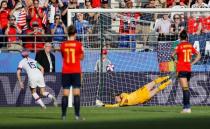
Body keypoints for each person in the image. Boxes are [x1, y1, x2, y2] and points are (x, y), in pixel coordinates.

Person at [171, 30, 201, 113]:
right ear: (187, 38)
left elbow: (172, 55)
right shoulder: (190, 45)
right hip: (188, 69)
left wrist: (175, 61)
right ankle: (186, 107)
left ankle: (186, 107)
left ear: (180, 37)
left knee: (185, 89)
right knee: (186, 88)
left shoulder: (179, 46)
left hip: (181, 68)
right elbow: (199, 55)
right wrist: (192, 63)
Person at [96, 76, 172, 107]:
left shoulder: (122, 95)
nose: (115, 100)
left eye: (115, 98)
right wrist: (103, 105)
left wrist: (121, 104)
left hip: (140, 91)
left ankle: (167, 76)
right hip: (142, 98)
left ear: (118, 96)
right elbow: (112, 106)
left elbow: (124, 98)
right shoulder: (120, 103)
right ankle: (169, 81)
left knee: (154, 82)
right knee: (157, 90)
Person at [60, 25, 84, 120]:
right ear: (75, 33)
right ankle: (77, 115)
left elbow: (63, 56)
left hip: (66, 71)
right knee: (76, 94)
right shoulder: (78, 44)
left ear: (68, 33)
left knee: (65, 94)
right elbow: (81, 58)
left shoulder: (63, 44)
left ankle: (63, 115)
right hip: (75, 71)